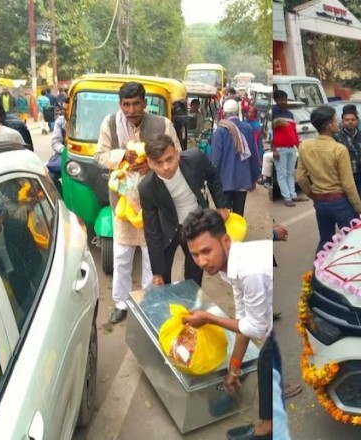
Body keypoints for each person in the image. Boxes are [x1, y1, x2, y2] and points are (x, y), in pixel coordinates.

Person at [180, 208, 273, 440]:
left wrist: (208, 318)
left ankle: (267, 430)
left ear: (226, 241)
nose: (201, 261)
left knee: (267, 359)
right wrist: (234, 370)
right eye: (194, 255)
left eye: (206, 251)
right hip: (267, 311)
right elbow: (244, 319)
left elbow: (257, 328)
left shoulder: (249, 270)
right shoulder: (229, 265)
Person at [94, 82, 181, 324]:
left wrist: (151, 166)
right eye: (126, 104)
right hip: (123, 202)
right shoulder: (111, 123)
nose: (131, 110)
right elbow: (100, 156)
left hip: (153, 200)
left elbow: (177, 156)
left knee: (150, 255)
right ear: (120, 105)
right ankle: (121, 303)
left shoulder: (163, 125)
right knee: (121, 256)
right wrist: (122, 155)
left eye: (136, 104)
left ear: (144, 103)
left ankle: (146, 302)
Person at [139, 134, 229, 288]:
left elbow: (213, 175)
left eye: (169, 159)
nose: (166, 167)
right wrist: (157, 273)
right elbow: (151, 231)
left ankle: (194, 301)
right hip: (169, 228)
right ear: (149, 163)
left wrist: (221, 205)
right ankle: (168, 305)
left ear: (177, 154)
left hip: (196, 223)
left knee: (195, 269)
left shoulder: (196, 159)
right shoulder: (146, 188)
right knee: (163, 275)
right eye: (158, 163)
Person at [296, 106, 361, 256]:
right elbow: (348, 184)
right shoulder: (338, 149)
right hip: (339, 200)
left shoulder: (305, 146)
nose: (338, 122)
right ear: (328, 125)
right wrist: (359, 209)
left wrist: (313, 195)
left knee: (325, 241)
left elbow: (300, 177)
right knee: (351, 238)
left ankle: (317, 275)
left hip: (320, 202)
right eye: (335, 120)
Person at [211, 100, 261, 215]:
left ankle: (227, 233)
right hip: (243, 180)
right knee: (239, 214)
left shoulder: (220, 130)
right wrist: (254, 178)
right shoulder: (248, 129)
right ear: (238, 112)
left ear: (224, 113)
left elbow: (215, 159)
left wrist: (213, 181)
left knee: (226, 215)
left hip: (224, 181)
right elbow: (253, 156)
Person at [271, 90, 307, 207]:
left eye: (285, 99)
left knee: (291, 173)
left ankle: (293, 195)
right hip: (280, 149)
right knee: (282, 174)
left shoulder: (289, 114)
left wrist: (298, 146)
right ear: (276, 100)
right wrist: (274, 149)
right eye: (281, 100)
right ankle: (287, 198)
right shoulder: (273, 113)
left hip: (291, 148)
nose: (284, 102)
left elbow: (294, 132)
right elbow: (270, 134)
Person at [334, 105, 361, 210]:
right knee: (349, 203)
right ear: (342, 121)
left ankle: (360, 222)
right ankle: (352, 223)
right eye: (347, 120)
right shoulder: (336, 137)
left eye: (352, 119)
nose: (350, 122)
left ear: (357, 120)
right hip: (347, 176)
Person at [47, 99, 68, 191]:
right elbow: (55, 142)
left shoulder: (84, 120)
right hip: (64, 154)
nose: (64, 112)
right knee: (50, 177)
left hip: (81, 155)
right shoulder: (60, 122)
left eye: (67, 109)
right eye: (63, 109)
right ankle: (62, 198)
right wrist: (64, 150)